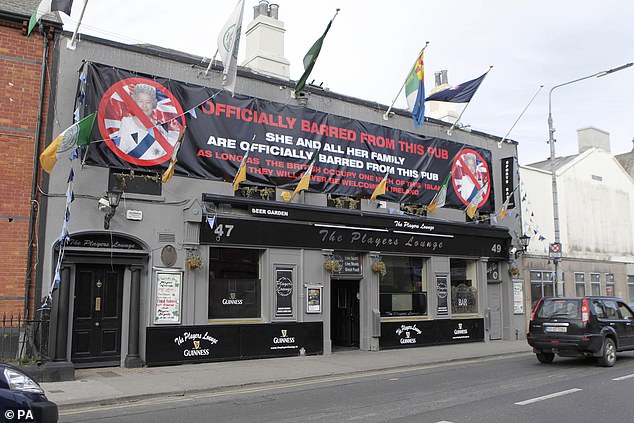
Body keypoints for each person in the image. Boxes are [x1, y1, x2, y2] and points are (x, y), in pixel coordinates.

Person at [115, 83, 178, 160]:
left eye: (148, 102)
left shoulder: (159, 126)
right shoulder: (126, 122)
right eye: (140, 101)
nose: (144, 106)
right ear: (134, 103)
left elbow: (164, 153)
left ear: (153, 104)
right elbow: (121, 150)